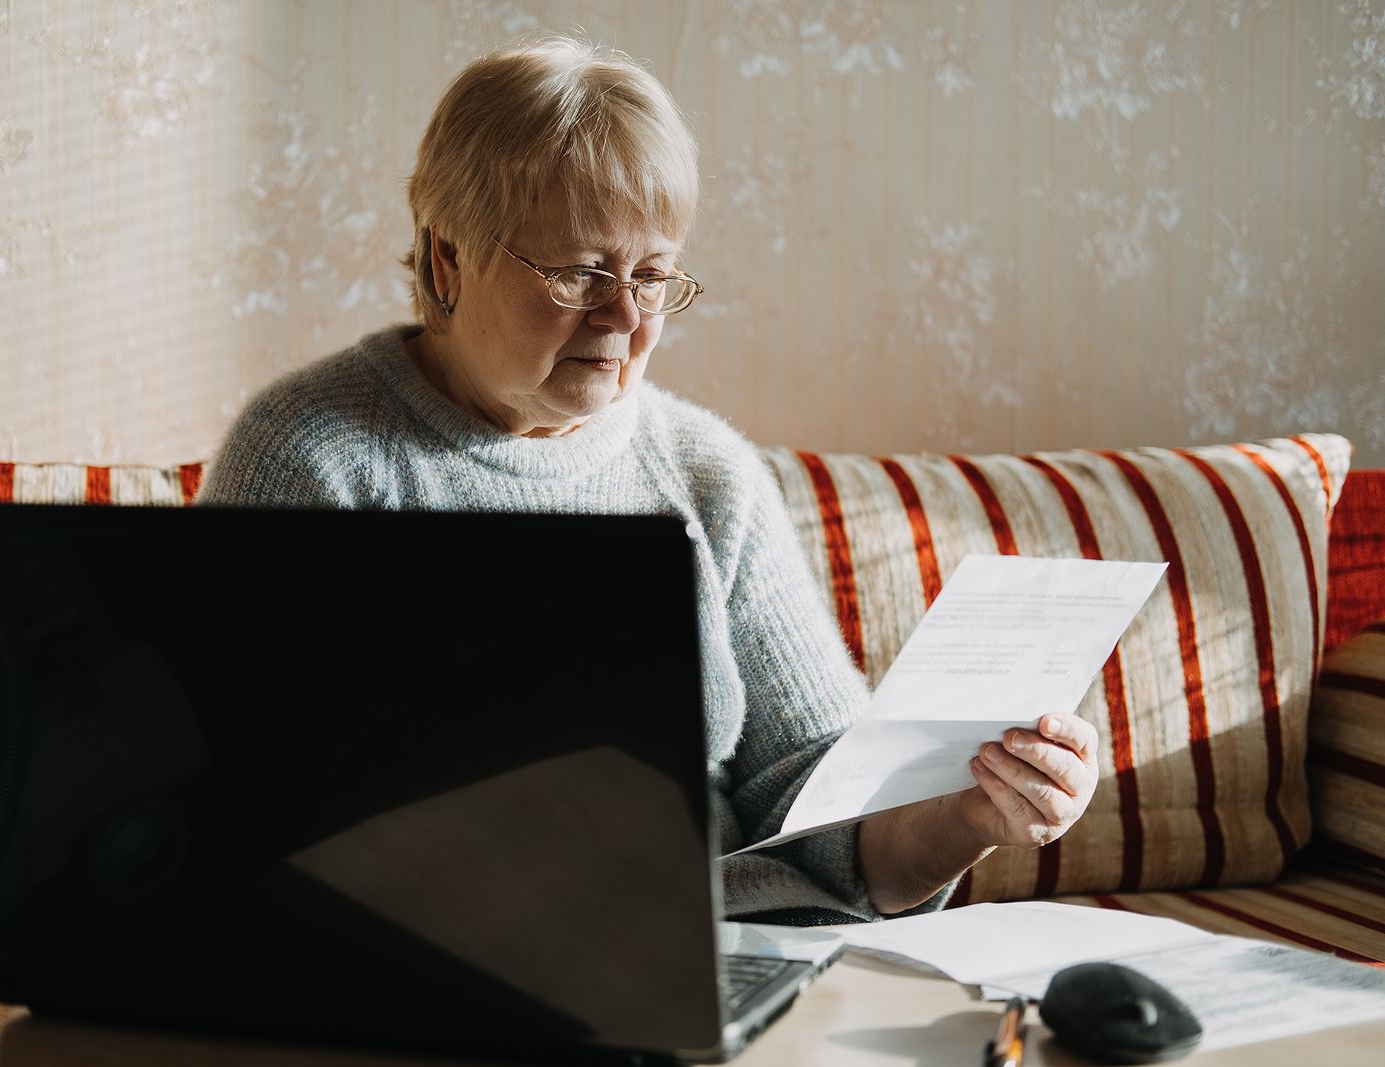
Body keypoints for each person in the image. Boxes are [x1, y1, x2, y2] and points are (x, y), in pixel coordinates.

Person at [197, 36, 1098, 923]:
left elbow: (830, 817)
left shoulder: (705, 473)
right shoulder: (311, 456)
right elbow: (231, 800)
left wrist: (969, 815)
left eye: (654, 275)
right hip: (417, 944)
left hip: (718, 945)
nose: (625, 315)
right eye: (581, 272)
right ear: (448, 259)